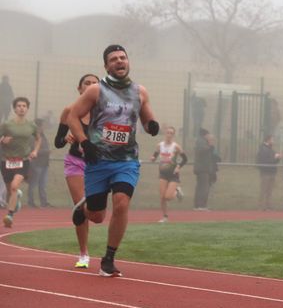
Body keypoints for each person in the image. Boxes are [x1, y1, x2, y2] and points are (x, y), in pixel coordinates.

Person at [67, 45, 159, 277]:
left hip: (126, 160)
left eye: (123, 58)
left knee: (121, 203)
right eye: (114, 59)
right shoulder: (96, 91)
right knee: (97, 217)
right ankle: (84, 209)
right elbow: (72, 116)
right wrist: (84, 142)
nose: (119, 61)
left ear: (128, 62)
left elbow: (147, 119)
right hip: (98, 161)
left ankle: (108, 259)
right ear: (106, 66)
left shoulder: (140, 92)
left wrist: (152, 125)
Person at [54, 73, 100, 268]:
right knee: (81, 204)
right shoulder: (69, 111)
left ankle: (85, 211)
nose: (90, 86)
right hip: (75, 163)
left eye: (95, 83)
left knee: (95, 211)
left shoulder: (104, 113)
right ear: (80, 88)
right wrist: (65, 139)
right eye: (87, 83)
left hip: (98, 165)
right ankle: (83, 254)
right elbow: (57, 142)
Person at [1, 97, 41, 228]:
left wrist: (35, 151)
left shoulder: (31, 125)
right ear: (14, 109)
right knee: (10, 191)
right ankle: (16, 199)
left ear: (27, 109)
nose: (21, 108)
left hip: (23, 160)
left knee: (14, 186)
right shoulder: (6, 125)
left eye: (24, 106)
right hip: (6, 161)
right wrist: (2, 140)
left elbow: (38, 139)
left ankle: (9, 216)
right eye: (19, 106)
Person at [150, 125, 187, 223]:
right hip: (163, 173)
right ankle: (165, 217)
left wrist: (178, 167)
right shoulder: (160, 145)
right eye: (168, 133)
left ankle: (177, 191)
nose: (169, 135)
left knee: (168, 197)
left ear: (173, 135)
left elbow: (185, 159)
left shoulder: (176, 146)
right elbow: (155, 155)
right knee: (162, 197)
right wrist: (153, 158)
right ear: (165, 133)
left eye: (171, 133)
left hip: (173, 174)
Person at [28, 118, 53, 207]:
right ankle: (31, 202)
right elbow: (32, 150)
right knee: (33, 184)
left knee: (43, 184)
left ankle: (44, 202)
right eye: (42, 125)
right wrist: (46, 151)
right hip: (36, 164)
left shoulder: (43, 135)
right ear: (38, 126)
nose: (44, 127)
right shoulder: (32, 137)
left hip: (44, 164)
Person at [193, 128, 217, 210]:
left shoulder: (201, 141)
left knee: (200, 187)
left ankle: (197, 205)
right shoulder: (201, 142)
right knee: (203, 187)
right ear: (205, 135)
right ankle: (201, 205)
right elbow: (202, 151)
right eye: (208, 135)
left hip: (202, 168)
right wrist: (210, 145)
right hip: (203, 168)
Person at [256, 134, 280, 210]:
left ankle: (268, 205)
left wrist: (277, 158)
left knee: (270, 190)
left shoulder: (270, 149)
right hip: (266, 172)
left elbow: (273, 161)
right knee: (264, 189)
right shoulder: (263, 149)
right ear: (268, 140)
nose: (273, 141)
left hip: (272, 172)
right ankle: (261, 205)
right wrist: (274, 158)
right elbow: (265, 161)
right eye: (272, 139)